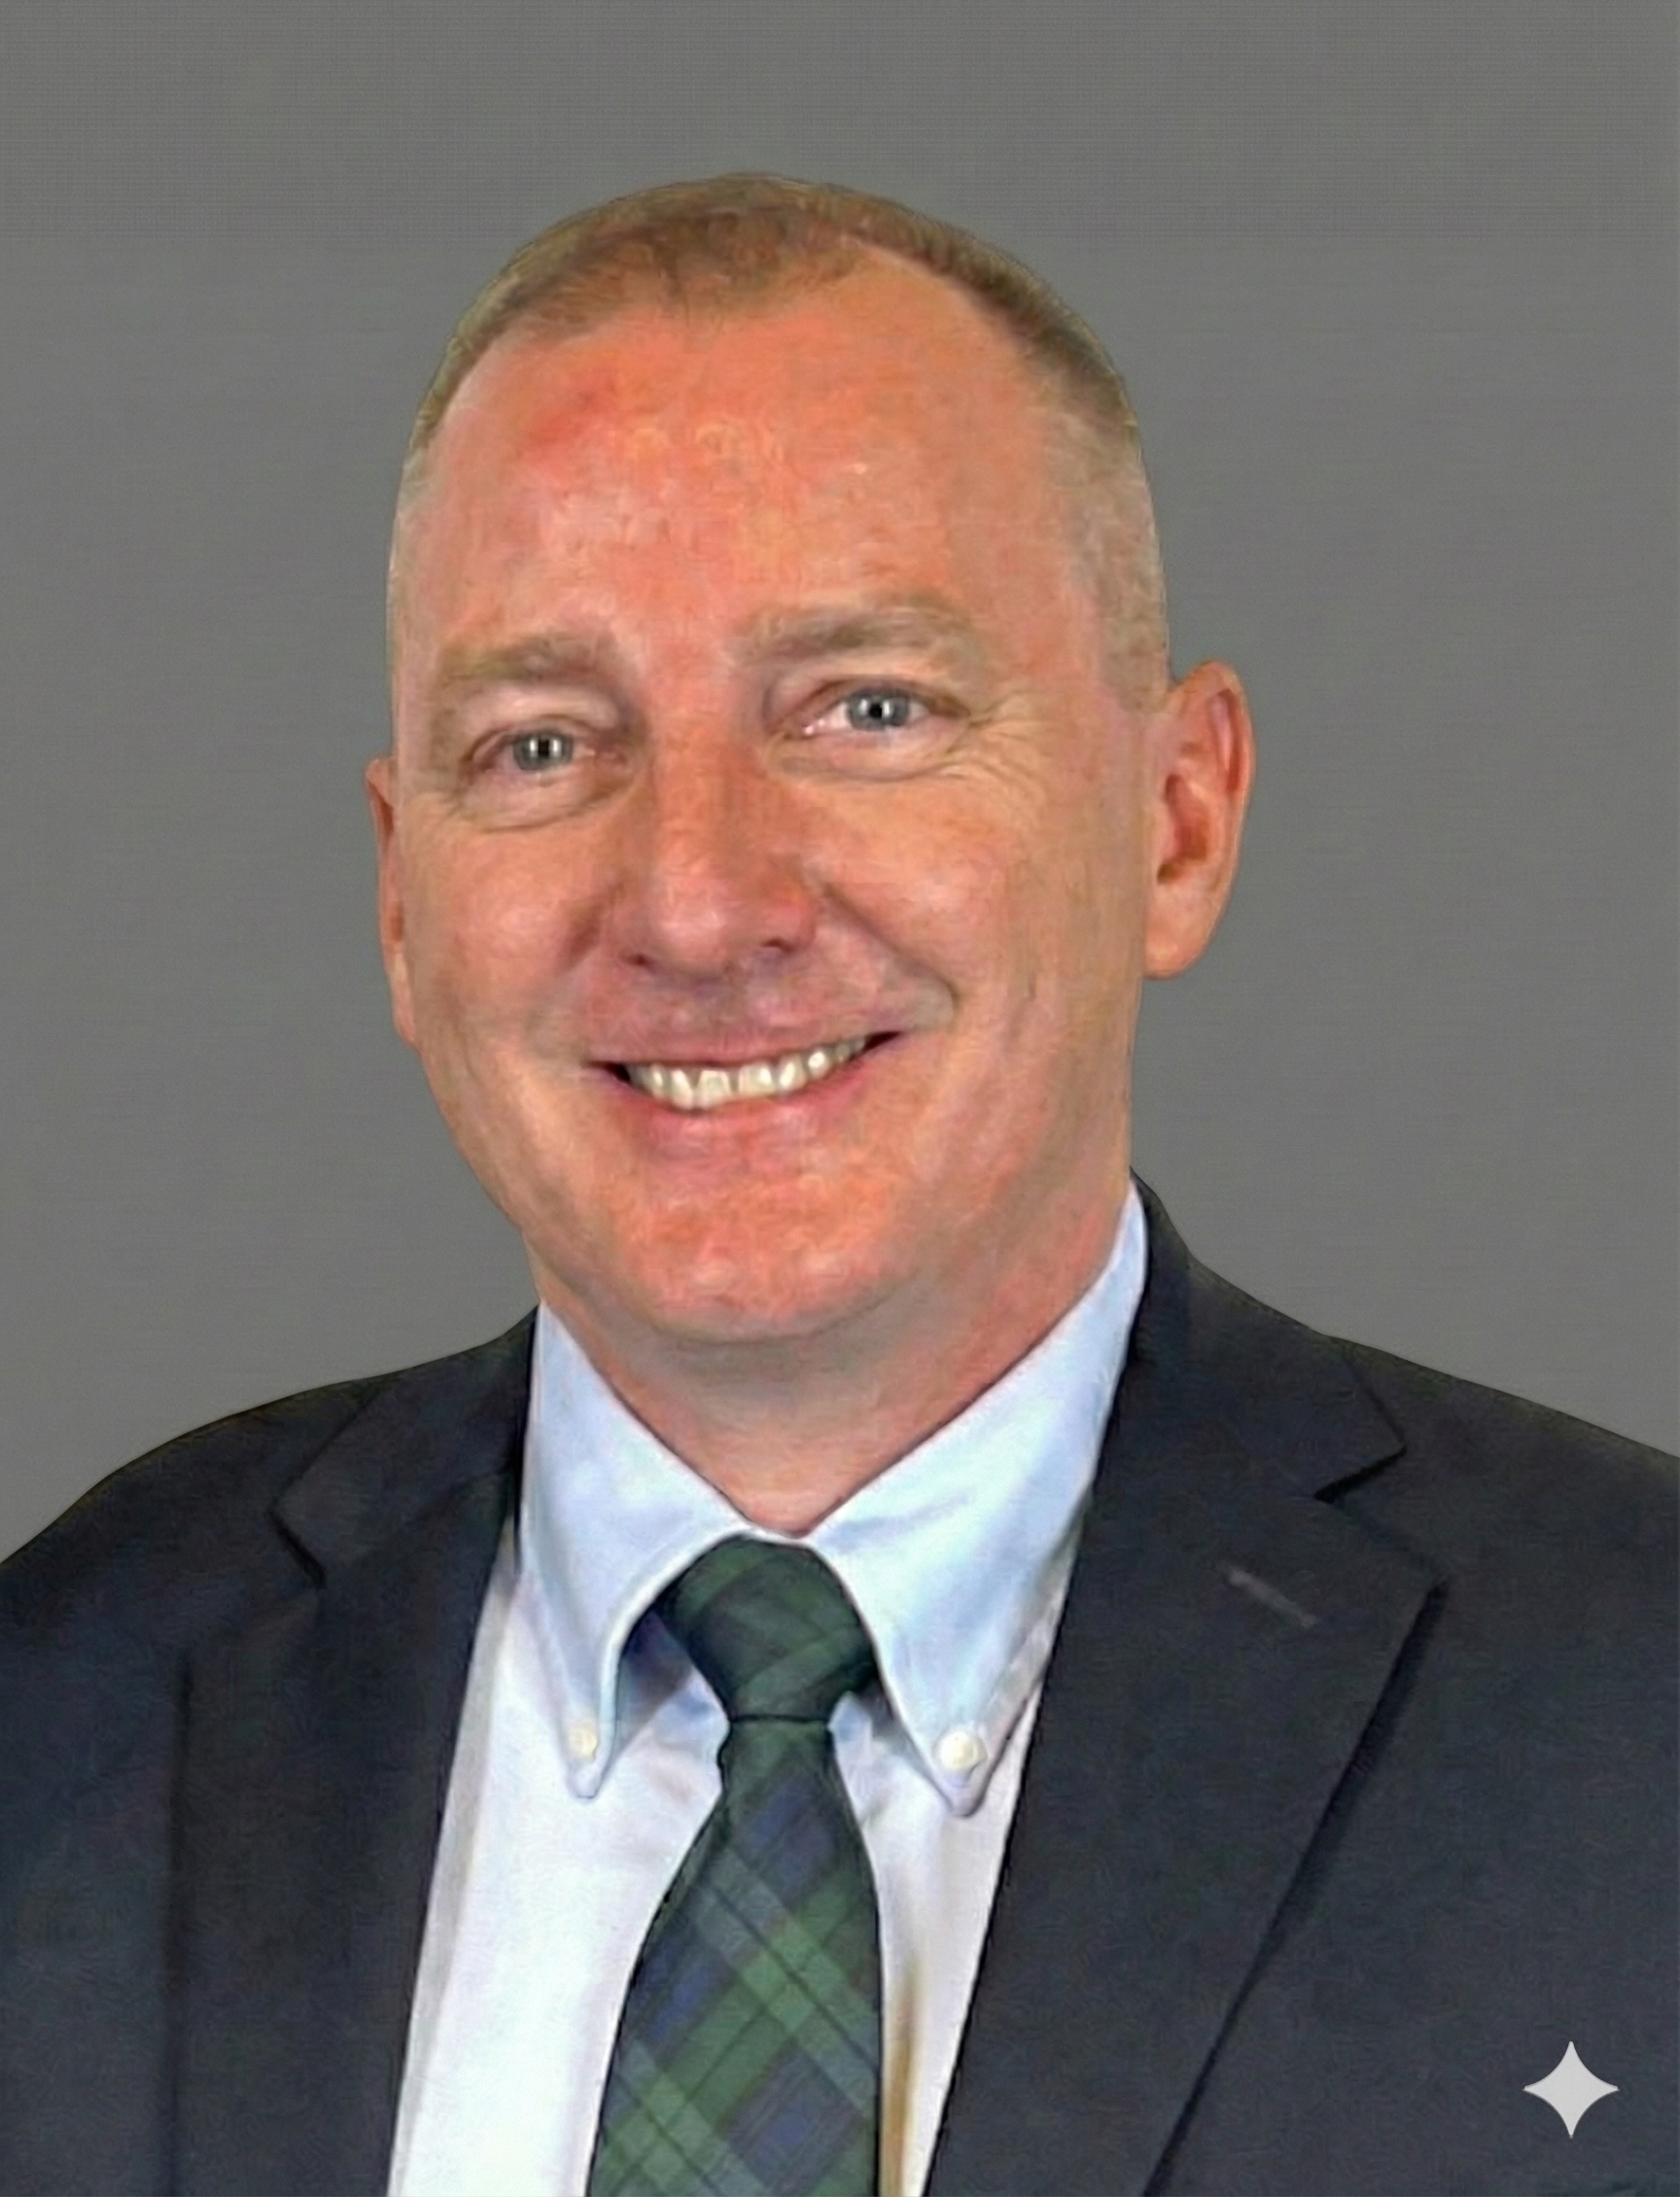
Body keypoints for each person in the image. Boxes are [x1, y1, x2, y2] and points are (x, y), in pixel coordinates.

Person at [0, 172, 1672, 2197]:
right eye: (541, 745)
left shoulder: (1628, 1711)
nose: (698, 899)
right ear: (396, 898)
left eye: (869, 710)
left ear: (1176, 818)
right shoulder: (70, 1696)